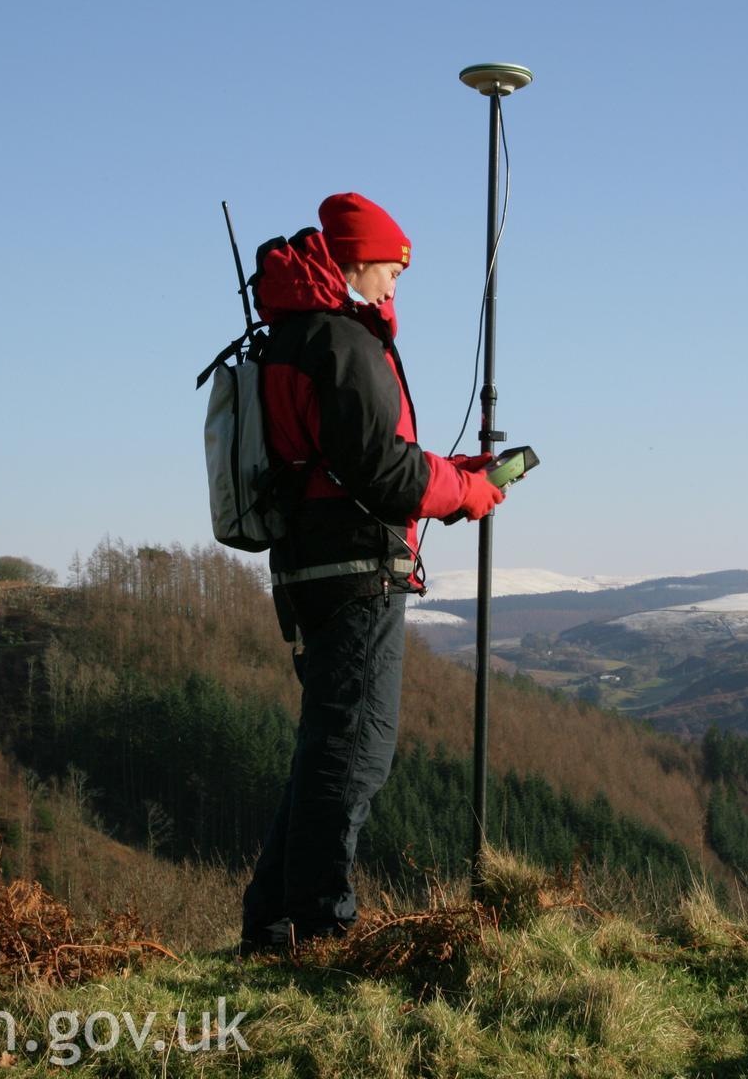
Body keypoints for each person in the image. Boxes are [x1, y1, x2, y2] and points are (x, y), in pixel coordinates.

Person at [239, 191, 504, 956]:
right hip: (357, 566)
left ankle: (274, 923)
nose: (394, 288)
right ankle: (322, 928)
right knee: (356, 747)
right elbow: (380, 474)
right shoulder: (340, 339)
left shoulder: (292, 333)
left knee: (327, 744)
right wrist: (466, 493)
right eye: (392, 270)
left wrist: (448, 471)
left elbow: (348, 459)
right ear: (359, 262)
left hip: (312, 564)